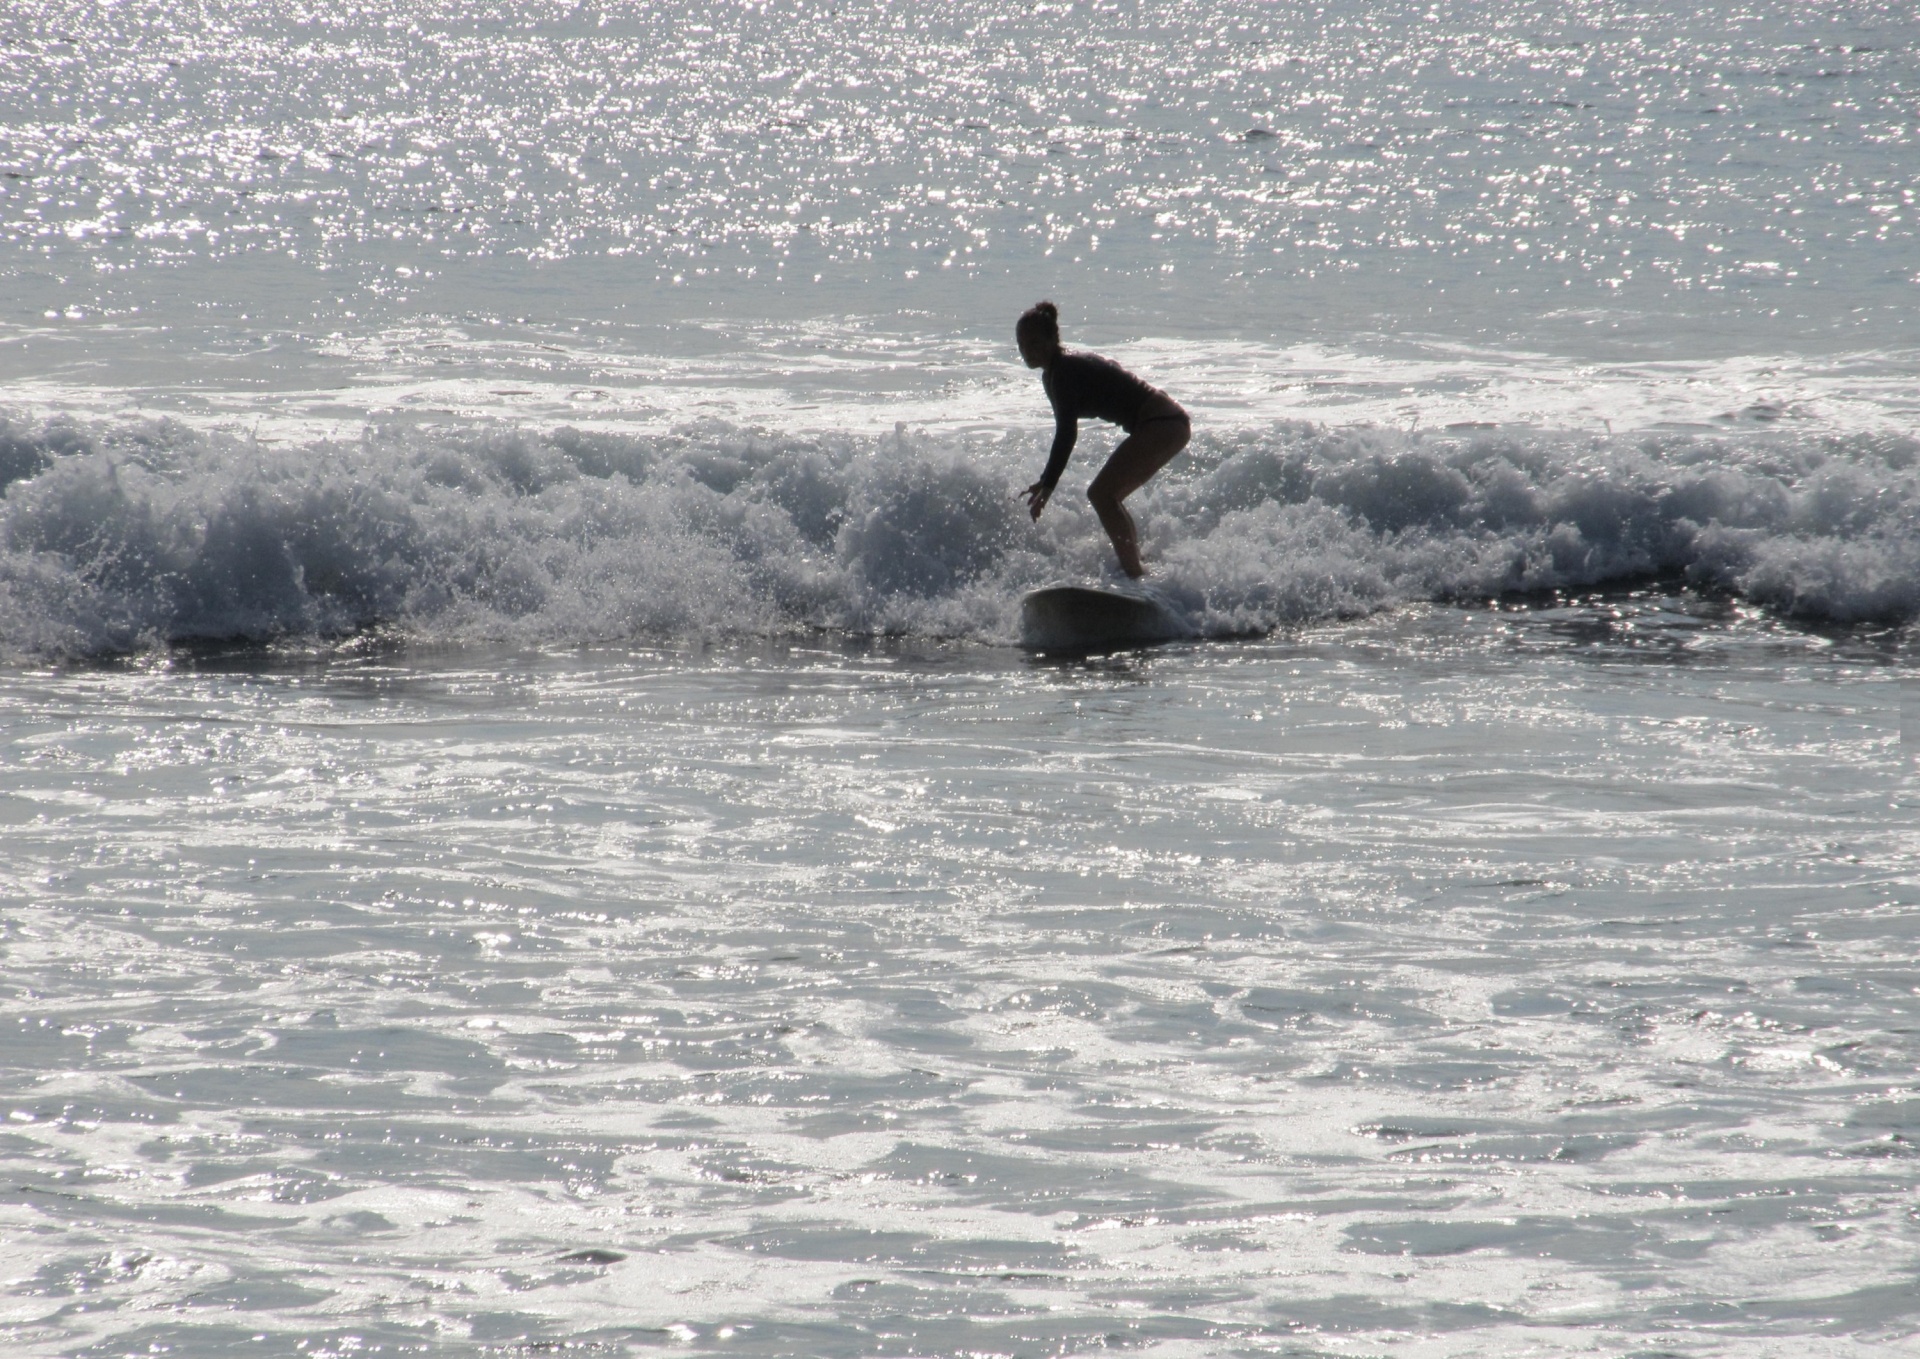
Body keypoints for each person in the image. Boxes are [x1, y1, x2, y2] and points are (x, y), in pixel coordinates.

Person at [1017, 300, 1190, 579]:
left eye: (1034, 342)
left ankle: (1136, 576)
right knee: (1109, 497)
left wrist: (1048, 484)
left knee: (1101, 495)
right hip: (1166, 423)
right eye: (1021, 344)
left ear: (1053, 339)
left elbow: (1066, 432)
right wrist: (1046, 480)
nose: (1027, 350)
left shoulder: (1064, 372)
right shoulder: (1054, 374)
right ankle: (1138, 566)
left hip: (1162, 423)